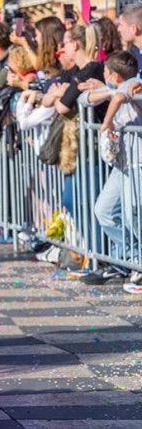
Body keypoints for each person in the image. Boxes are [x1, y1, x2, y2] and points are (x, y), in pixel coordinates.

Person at [78, 50, 141, 288]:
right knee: (103, 209)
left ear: (113, 74)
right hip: (122, 164)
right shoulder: (117, 86)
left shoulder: (135, 83)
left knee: (132, 215)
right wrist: (108, 89)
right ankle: (131, 259)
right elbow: (83, 100)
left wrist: (106, 123)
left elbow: (119, 97)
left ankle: (138, 264)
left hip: (137, 162)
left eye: (106, 73)